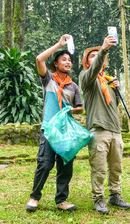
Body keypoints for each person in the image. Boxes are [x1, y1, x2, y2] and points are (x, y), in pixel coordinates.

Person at [26, 34, 83, 212]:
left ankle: (61, 200)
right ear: (55, 64)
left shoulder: (73, 86)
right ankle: (34, 198)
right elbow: (38, 59)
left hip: (66, 131)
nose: (68, 62)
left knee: (65, 166)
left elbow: (80, 108)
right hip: (50, 129)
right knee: (45, 163)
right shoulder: (48, 80)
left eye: (69, 60)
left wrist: (71, 110)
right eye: (63, 59)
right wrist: (59, 44)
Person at [79, 35, 130, 214]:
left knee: (116, 167)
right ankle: (98, 198)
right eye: (91, 56)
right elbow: (94, 70)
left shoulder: (108, 81)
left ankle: (115, 195)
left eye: (98, 56)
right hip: (98, 129)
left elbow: (113, 105)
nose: (96, 58)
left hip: (115, 130)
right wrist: (103, 49)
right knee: (99, 168)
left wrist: (116, 89)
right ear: (87, 63)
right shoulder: (86, 77)